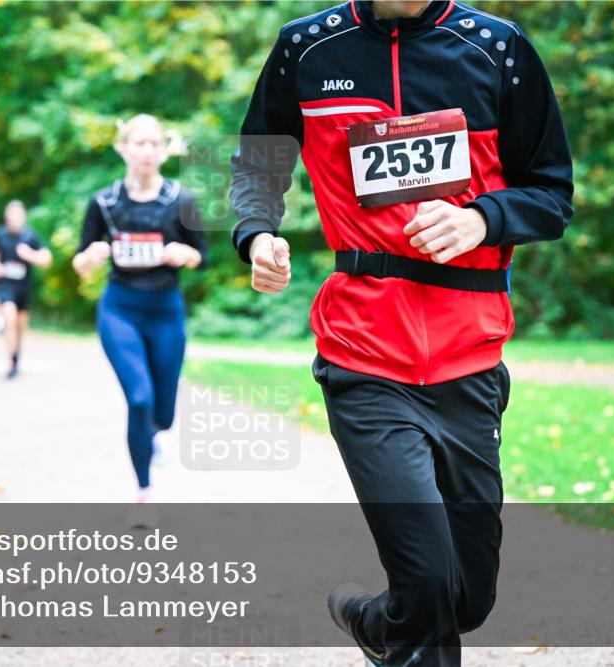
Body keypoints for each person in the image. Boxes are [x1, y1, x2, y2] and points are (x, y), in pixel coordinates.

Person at [230, 1, 573, 665]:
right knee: (426, 587)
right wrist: (258, 232)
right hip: (362, 352)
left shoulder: (497, 48)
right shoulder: (307, 47)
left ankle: (376, 622)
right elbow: (257, 162)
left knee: (464, 598)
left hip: (469, 354)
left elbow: (552, 192)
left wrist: (483, 220)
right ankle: (409, 626)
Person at [72, 114, 207, 514]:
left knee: (163, 414)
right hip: (120, 310)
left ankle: (155, 434)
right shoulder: (104, 202)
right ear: (123, 148)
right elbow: (80, 260)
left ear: (165, 150)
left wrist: (188, 254)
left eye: (154, 143)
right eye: (139, 143)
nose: (147, 151)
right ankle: (144, 492)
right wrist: (89, 258)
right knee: (139, 398)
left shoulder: (183, 201)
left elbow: (204, 257)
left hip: (166, 311)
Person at [0, 200, 52, 379]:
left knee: (20, 326)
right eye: (11, 215)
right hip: (5, 285)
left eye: (18, 215)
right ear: (6, 217)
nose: (15, 219)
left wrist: (30, 254)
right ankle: (11, 361)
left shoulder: (30, 236)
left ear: (23, 216)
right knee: (9, 318)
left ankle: (16, 357)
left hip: (24, 287)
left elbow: (46, 259)